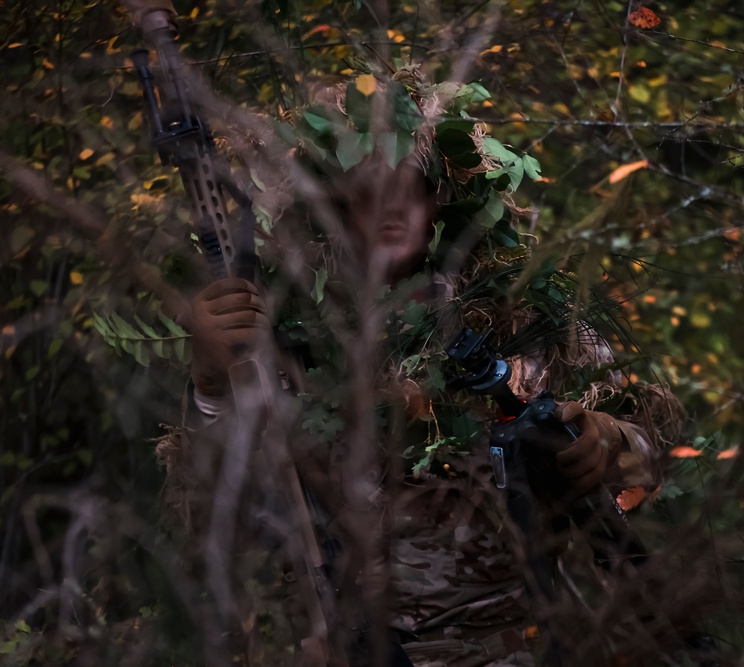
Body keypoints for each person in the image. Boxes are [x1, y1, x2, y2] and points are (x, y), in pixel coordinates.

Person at [127, 3, 684, 664]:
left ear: (439, 200)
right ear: (333, 208)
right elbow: (214, 516)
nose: (390, 202)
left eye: (408, 184)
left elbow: (646, 451)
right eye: (367, 185)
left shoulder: (522, 323)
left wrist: (607, 441)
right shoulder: (285, 342)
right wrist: (213, 384)